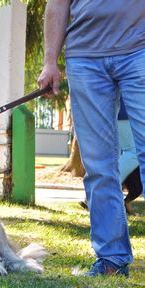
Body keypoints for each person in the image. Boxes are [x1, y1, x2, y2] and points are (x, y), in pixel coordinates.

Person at [38, 0, 145, 277]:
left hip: (139, 50)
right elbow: (58, 4)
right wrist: (50, 61)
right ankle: (111, 258)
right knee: (98, 166)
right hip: (84, 58)